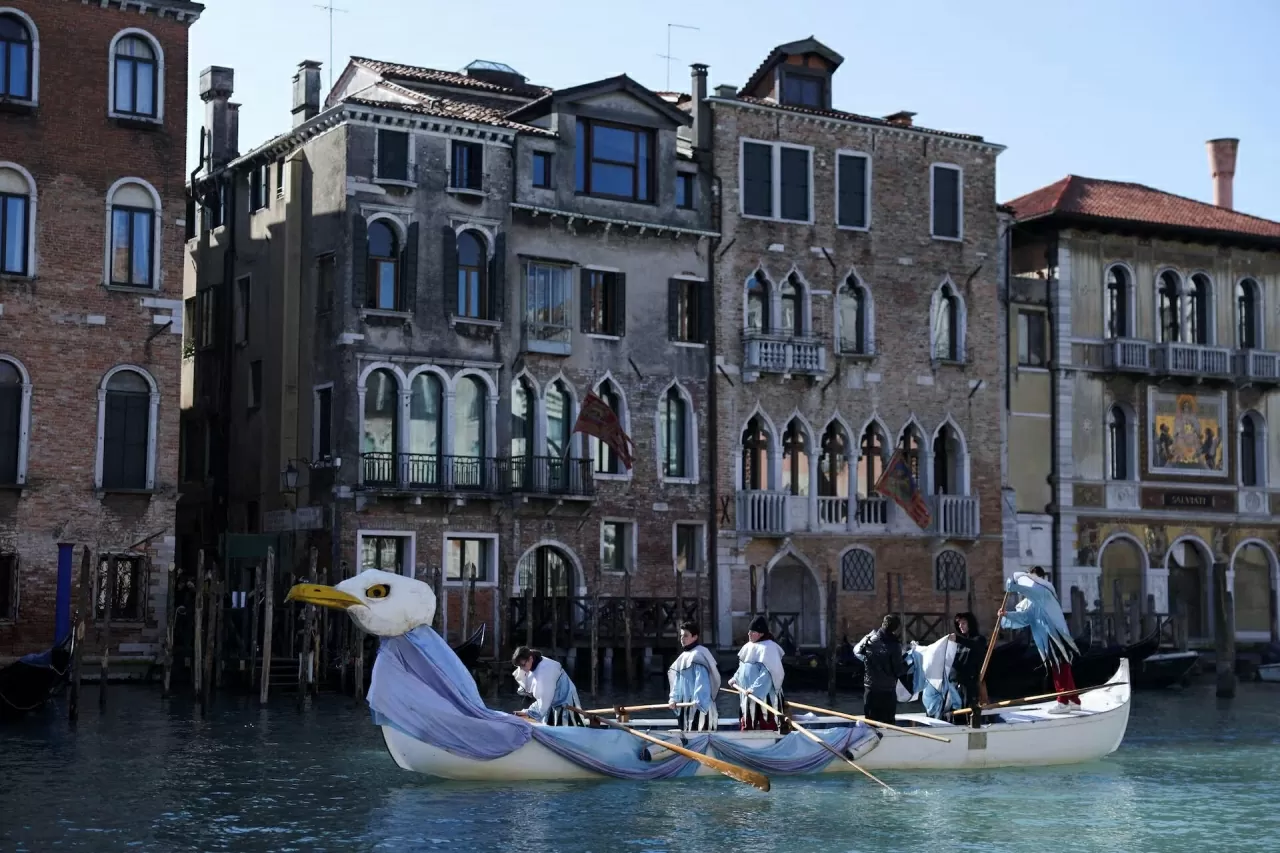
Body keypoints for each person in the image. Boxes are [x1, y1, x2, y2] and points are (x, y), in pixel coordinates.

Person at [999, 567, 1080, 715]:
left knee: (1060, 668)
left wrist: (1015, 587)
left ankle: (1063, 702)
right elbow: (1025, 618)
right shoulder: (1031, 603)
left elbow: (1031, 591)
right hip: (1048, 640)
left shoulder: (1046, 591)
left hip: (1056, 635)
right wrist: (1006, 615)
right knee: (1062, 667)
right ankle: (1073, 700)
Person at [728, 616, 787, 731]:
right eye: (749, 631)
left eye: (753, 632)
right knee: (747, 722)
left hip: (765, 696)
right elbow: (742, 668)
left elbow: (768, 674)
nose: (749, 634)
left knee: (767, 723)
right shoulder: (748, 646)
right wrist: (735, 678)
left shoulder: (769, 648)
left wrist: (754, 689)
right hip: (748, 695)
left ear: (761, 634)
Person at [853, 614, 909, 724]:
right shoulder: (895, 645)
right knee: (888, 723)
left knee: (870, 723)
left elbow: (857, 652)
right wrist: (908, 664)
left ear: (883, 623)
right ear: (895, 628)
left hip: (870, 689)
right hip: (887, 690)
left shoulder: (869, 639)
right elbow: (898, 671)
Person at [511, 646, 585, 726]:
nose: (521, 669)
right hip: (551, 699)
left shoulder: (544, 673)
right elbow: (522, 675)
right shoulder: (531, 659)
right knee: (548, 721)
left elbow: (543, 704)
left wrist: (528, 712)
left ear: (530, 658)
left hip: (565, 699)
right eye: (519, 666)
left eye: (523, 665)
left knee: (566, 723)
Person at [667, 621, 721, 731]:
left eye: (686, 636)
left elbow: (702, 682)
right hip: (685, 704)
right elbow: (677, 681)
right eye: (681, 636)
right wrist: (673, 699)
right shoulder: (683, 656)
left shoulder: (699, 655)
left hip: (699, 706)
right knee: (685, 731)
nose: (682, 639)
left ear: (695, 637)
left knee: (698, 732)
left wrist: (698, 702)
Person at [949, 612, 987, 728]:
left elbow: (974, 645)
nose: (960, 626)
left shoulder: (979, 640)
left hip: (970, 683)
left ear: (970, 624)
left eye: (964, 623)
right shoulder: (958, 645)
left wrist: (957, 639)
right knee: (956, 711)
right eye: (959, 624)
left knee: (968, 709)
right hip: (956, 683)